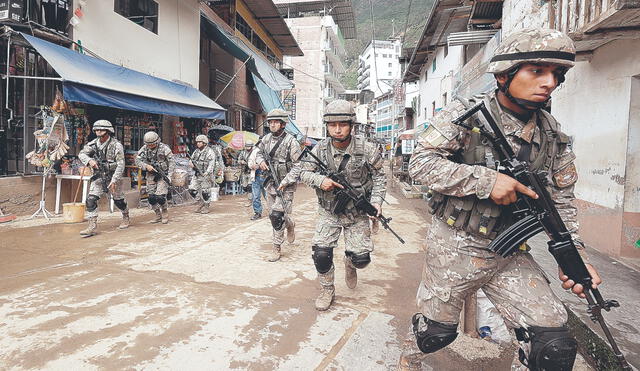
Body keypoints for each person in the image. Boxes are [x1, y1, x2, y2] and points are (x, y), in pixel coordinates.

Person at [402, 28, 602, 370]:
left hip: (510, 252)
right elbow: (420, 164)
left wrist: (574, 255)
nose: (549, 83)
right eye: (537, 71)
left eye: (557, 74)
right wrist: (486, 180)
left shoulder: (553, 135)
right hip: (456, 244)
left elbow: (561, 201)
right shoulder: (466, 114)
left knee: (552, 343)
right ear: (504, 74)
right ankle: (410, 354)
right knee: (435, 333)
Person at [287, 99, 386, 311]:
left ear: (352, 125)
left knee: (361, 259)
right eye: (333, 125)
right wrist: (319, 181)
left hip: (357, 213)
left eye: (343, 124)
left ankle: (350, 263)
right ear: (327, 126)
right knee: (321, 254)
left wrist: (376, 201)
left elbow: (379, 177)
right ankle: (327, 290)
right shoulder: (320, 149)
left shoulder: (367, 149)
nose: (338, 130)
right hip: (329, 211)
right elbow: (303, 172)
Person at [254, 108, 301, 262]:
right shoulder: (266, 139)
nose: (272, 125)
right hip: (270, 183)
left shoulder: (291, 142)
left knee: (276, 216)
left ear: (283, 124)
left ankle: (276, 247)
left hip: (285, 186)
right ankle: (289, 223)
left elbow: (298, 165)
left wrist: (286, 181)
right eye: (271, 122)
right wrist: (260, 161)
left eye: (276, 122)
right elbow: (258, 153)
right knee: (273, 215)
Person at [78, 120, 128, 237]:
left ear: (108, 131)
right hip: (99, 175)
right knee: (90, 200)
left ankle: (125, 215)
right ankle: (92, 226)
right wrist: (89, 160)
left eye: (101, 129)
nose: (98, 132)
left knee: (118, 200)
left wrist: (114, 180)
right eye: (96, 130)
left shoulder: (116, 145)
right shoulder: (93, 144)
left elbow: (121, 164)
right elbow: (81, 154)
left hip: (113, 175)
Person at [135, 131, 175, 224]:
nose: (150, 146)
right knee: (151, 197)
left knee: (160, 197)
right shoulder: (144, 149)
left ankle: (164, 211)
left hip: (162, 174)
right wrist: (146, 166)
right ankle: (157, 214)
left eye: (152, 144)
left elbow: (172, 163)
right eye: (148, 144)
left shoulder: (164, 148)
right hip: (151, 175)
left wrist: (169, 176)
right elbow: (137, 161)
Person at [188, 134, 219, 214]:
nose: (198, 143)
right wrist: (191, 163)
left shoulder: (210, 152)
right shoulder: (196, 151)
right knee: (192, 190)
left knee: (205, 192)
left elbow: (211, 164)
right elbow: (191, 159)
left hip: (206, 175)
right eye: (197, 142)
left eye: (200, 142)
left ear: (204, 143)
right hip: (197, 174)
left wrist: (207, 173)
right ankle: (200, 202)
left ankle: (206, 206)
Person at [247, 139, 265, 220]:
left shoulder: (267, 151)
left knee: (268, 195)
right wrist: (254, 166)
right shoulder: (254, 152)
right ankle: (257, 212)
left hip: (266, 176)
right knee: (256, 196)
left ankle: (274, 211)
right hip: (256, 175)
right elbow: (250, 164)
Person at [237, 141, 254, 206]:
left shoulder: (254, 153)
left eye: (249, 147)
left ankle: (250, 200)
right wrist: (241, 161)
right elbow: (238, 160)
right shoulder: (243, 152)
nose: (248, 148)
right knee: (245, 187)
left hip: (251, 171)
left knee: (250, 186)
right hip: (244, 171)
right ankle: (249, 197)